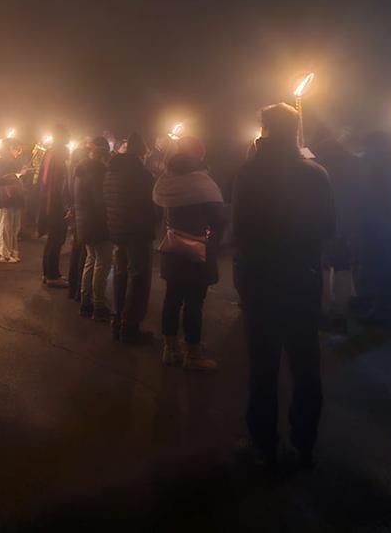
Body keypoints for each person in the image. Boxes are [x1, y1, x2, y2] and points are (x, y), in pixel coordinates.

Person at [233, 103, 335, 469]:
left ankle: (263, 443)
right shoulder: (317, 173)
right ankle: (304, 441)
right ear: (296, 129)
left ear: (265, 128)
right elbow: (328, 228)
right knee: (306, 365)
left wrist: (242, 281)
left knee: (263, 367)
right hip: (302, 279)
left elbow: (240, 232)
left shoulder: (249, 172)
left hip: (261, 282)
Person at [153, 136, 226, 370]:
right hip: (197, 251)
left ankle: (170, 348)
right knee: (194, 302)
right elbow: (218, 218)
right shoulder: (203, 182)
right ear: (199, 156)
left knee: (172, 298)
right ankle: (192, 354)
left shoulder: (165, 181)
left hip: (172, 247)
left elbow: (157, 213)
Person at [104, 131, 158, 343]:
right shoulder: (142, 174)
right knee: (138, 278)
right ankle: (130, 326)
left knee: (120, 275)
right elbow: (150, 205)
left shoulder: (111, 171)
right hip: (138, 232)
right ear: (142, 152)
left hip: (117, 229)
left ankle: (117, 320)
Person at [312, 133, 364, 332]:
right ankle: (341, 312)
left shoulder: (318, 169)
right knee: (343, 267)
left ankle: (323, 311)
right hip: (348, 223)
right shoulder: (355, 167)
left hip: (324, 223)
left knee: (323, 267)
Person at [357, 131, 391, 326]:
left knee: (378, 266)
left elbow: (365, 191)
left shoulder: (371, 161)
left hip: (375, 220)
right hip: (390, 219)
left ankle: (382, 310)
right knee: (389, 266)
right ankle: (390, 306)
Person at [73, 137, 112, 321]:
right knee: (102, 263)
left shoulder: (80, 170)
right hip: (98, 223)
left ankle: (85, 302)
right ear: (102, 157)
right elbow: (100, 201)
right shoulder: (98, 173)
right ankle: (98, 305)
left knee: (90, 260)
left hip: (83, 222)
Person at [38, 125, 72, 288]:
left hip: (49, 202)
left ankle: (49, 273)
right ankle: (52, 275)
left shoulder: (49, 152)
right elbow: (59, 183)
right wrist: (65, 206)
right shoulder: (58, 154)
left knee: (53, 240)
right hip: (56, 204)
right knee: (56, 240)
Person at [0, 138, 28, 263]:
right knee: (6, 225)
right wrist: (18, 174)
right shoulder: (1, 161)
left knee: (15, 226)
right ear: (10, 148)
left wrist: (20, 174)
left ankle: (13, 251)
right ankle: (4, 254)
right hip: (5, 197)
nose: (18, 152)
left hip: (16, 197)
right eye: (16, 149)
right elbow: (0, 178)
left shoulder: (16, 160)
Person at [66, 141, 89, 300]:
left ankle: (72, 287)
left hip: (75, 214)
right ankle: (79, 290)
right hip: (82, 216)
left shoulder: (72, 171)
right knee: (82, 253)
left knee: (76, 251)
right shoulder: (84, 175)